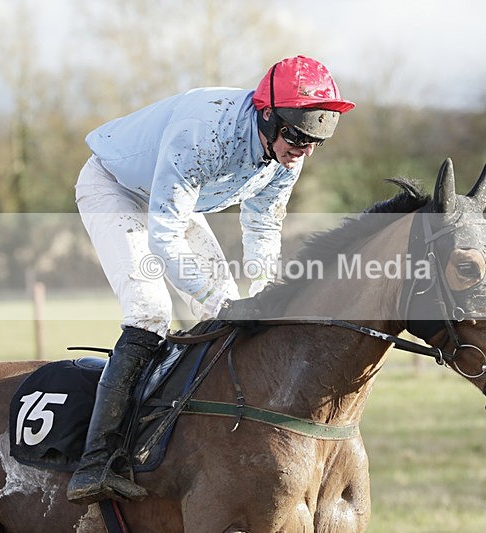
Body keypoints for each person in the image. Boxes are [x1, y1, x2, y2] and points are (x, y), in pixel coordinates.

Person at [67, 55, 354, 504]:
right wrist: (225, 306)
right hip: (115, 188)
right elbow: (164, 238)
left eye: (317, 139)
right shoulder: (203, 134)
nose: (303, 150)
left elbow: (263, 228)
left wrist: (263, 301)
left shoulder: (287, 155)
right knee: (150, 311)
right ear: (267, 114)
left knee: (227, 310)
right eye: (297, 135)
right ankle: (96, 462)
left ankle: (198, 434)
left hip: (178, 202)